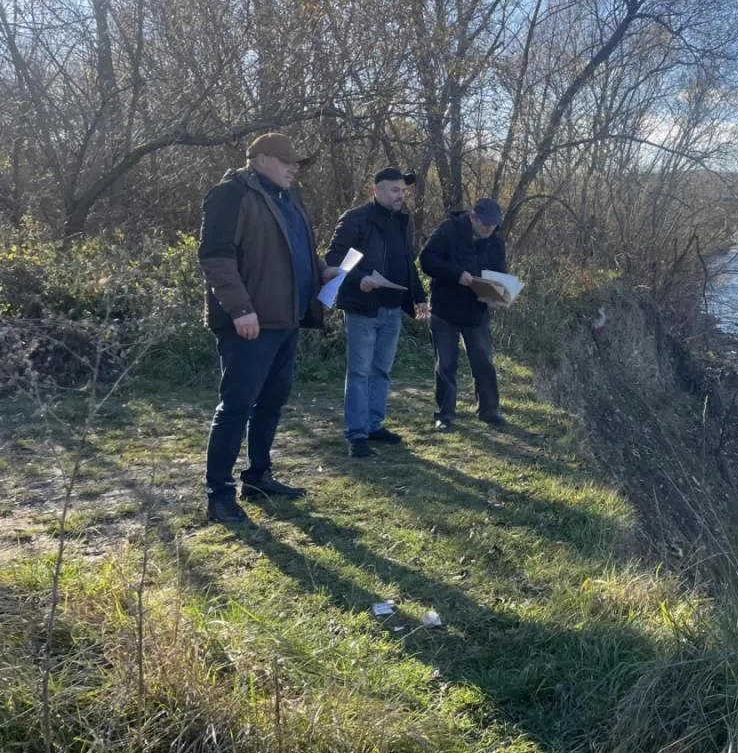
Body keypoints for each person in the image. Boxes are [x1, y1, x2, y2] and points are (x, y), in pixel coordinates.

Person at [198, 133, 340, 523]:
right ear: (259, 160)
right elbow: (215, 257)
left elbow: (300, 253)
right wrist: (240, 308)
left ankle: (258, 477)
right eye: (287, 161)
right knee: (236, 406)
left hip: (286, 319)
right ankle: (219, 495)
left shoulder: (289, 198)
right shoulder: (230, 195)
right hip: (249, 323)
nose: (295, 168)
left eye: (296, 163)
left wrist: (322, 270)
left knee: (272, 402)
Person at [325, 167, 429, 458]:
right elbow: (333, 259)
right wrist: (360, 280)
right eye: (394, 190)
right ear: (377, 191)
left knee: (381, 370)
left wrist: (418, 297)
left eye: (403, 190)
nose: (400, 195)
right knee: (359, 371)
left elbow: (407, 264)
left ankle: (374, 425)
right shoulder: (355, 219)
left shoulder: (401, 222)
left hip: (392, 307)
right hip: (362, 307)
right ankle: (357, 434)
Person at [418, 197, 508, 431]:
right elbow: (426, 260)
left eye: (493, 225)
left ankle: (489, 411)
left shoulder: (496, 242)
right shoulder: (448, 230)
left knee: (484, 362)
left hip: (476, 311)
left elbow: (500, 273)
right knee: (446, 364)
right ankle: (444, 415)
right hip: (445, 308)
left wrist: (496, 297)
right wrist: (456, 274)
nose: (489, 229)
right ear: (473, 217)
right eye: (485, 224)